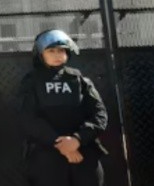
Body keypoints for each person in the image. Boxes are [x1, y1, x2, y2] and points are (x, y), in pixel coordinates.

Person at [19, 29, 108, 186]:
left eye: (61, 50)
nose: (57, 55)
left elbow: (99, 114)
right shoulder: (31, 82)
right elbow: (28, 118)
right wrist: (62, 145)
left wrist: (77, 139)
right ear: (40, 54)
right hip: (47, 155)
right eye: (51, 51)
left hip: (83, 151)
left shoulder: (79, 79)